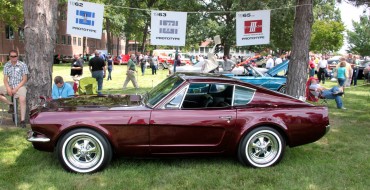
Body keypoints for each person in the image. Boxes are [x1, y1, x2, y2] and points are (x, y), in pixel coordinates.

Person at [0, 50, 29, 128]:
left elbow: (25, 79)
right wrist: (8, 88)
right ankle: (11, 104)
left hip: (20, 86)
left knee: (22, 99)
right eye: (12, 56)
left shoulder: (22, 65)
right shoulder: (7, 65)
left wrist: (16, 89)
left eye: (15, 56)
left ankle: (22, 121)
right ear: (9, 57)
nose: (14, 58)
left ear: (17, 56)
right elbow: (5, 79)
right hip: (10, 85)